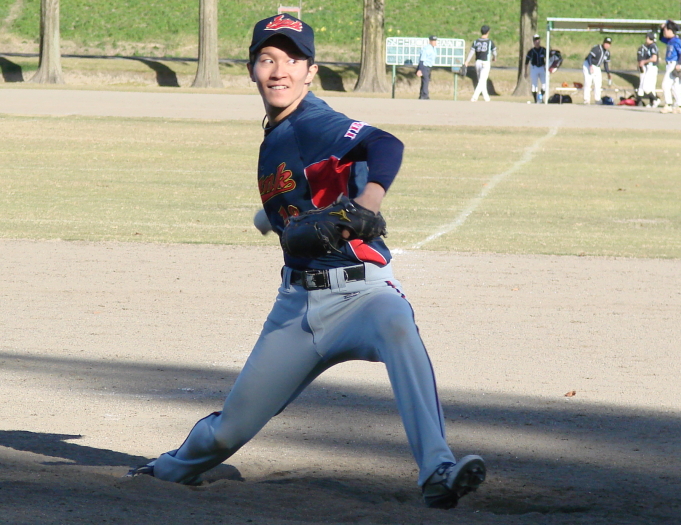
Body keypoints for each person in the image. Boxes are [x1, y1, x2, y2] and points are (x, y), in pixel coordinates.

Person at [126, 14, 486, 510]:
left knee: (396, 322)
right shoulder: (277, 133)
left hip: (363, 293)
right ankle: (168, 469)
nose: (279, 71)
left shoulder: (313, 121)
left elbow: (384, 143)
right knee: (229, 431)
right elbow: (303, 191)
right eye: (267, 59)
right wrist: (270, 216)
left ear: (311, 71)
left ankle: (438, 470)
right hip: (297, 308)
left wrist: (368, 203)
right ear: (251, 70)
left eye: (293, 60)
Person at [659, 20, 681, 114]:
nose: (664, 32)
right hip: (670, 64)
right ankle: (680, 106)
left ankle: (668, 104)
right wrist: (661, 28)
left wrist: (679, 64)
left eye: (666, 30)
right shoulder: (670, 40)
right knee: (675, 87)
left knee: (665, 84)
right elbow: (661, 38)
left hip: (674, 64)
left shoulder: (676, 40)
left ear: (671, 30)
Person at [464, 25, 497, 102]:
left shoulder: (476, 41)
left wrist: (467, 61)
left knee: (482, 81)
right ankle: (474, 97)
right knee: (482, 81)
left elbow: (471, 52)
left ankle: (486, 98)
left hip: (477, 62)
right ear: (488, 32)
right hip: (485, 62)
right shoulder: (490, 42)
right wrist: (494, 57)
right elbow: (494, 52)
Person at [582, 37, 612, 105]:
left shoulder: (607, 52)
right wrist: (590, 66)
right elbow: (589, 57)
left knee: (598, 83)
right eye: (606, 43)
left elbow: (606, 64)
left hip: (597, 67)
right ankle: (586, 100)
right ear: (603, 43)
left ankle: (597, 99)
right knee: (588, 82)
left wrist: (608, 73)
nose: (607, 45)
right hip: (588, 64)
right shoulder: (597, 48)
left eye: (608, 44)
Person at [636, 32, 660, 107]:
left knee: (645, 86)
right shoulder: (650, 46)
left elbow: (654, 58)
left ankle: (655, 99)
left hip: (652, 67)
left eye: (647, 38)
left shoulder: (653, 46)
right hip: (650, 67)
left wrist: (644, 61)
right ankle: (653, 102)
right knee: (650, 87)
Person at [525, 34, 547, 103]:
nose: (537, 41)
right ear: (533, 42)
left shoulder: (543, 50)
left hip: (542, 68)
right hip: (534, 68)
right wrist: (525, 72)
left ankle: (540, 97)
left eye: (538, 40)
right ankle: (536, 100)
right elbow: (526, 62)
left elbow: (548, 58)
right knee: (534, 85)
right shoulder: (531, 51)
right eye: (535, 40)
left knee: (544, 84)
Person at [416, 36, 438, 100]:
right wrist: (420, 69)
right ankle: (425, 95)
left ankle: (422, 95)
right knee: (425, 81)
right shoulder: (426, 49)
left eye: (435, 41)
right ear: (430, 41)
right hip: (424, 66)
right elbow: (422, 60)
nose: (435, 42)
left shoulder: (434, 49)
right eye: (433, 41)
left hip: (429, 67)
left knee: (426, 80)